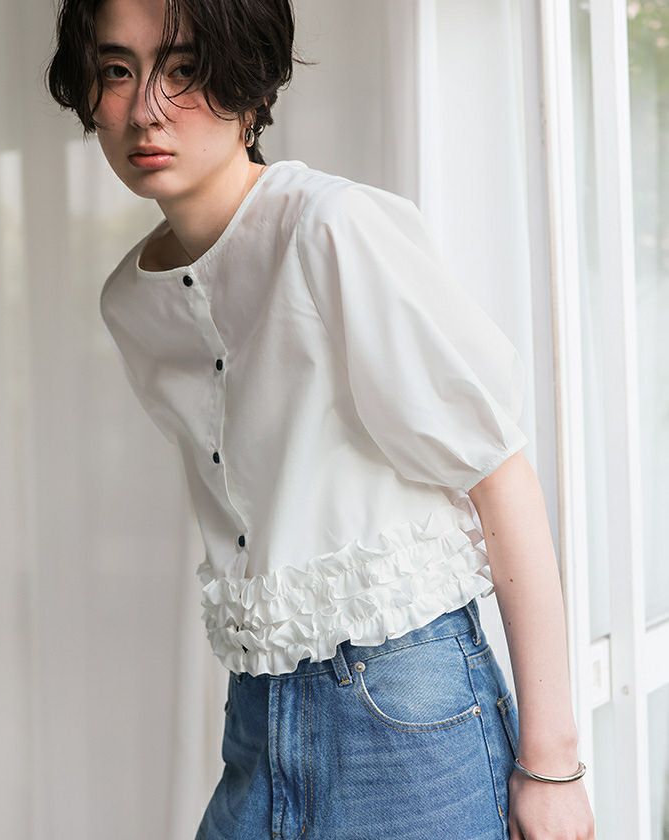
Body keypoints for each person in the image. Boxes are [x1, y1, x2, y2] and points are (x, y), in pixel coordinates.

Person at [45, 0, 596, 837]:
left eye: (184, 68)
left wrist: (551, 766)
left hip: (405, 711)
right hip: (255, 714)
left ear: (251, 84)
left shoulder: (332, 228)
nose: (146, 109)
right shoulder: (131, 302)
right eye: (117, 70)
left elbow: (499, 473)